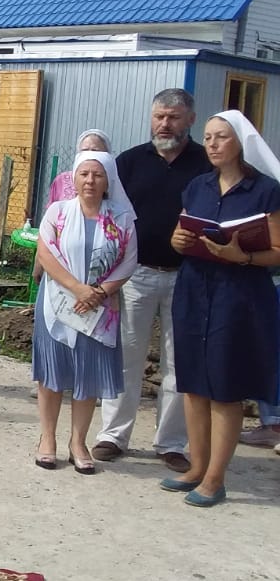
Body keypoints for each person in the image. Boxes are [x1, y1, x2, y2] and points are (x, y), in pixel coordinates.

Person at [165, 110, 280, 506]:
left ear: (241, 143)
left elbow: (278, 250)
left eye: (222, 137)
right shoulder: (197, 186)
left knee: (224, 387)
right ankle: (197, 467)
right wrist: (178, 241)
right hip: (194, 291)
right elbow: (181, 229)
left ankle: (215, 478)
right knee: (194, 384)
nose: (212, 144)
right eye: (209, 137)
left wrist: (242, 256)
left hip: (239, 296)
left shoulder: (265, 190)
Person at [93, 89, 212, 472]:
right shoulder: (129, 162)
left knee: (179, 362)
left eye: (173, 117)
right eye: (159, 116)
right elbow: (109, 218)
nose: (165, 124)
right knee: (126, 356)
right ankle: (113, 435)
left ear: (190, 120)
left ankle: (171, 443)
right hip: (136, 274)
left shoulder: (206, 165)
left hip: (188, 276)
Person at [32, 152, 137, 473]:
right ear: (74, 178)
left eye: (97, 175)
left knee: (87, 375)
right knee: (53, 373)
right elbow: (45, 253)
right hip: (57, 303)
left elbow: (129, 261)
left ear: (108, 181)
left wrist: (99, 293)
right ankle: (47, 438)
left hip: (98, 309)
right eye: (84, 174)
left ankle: (78, 442)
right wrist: (78, 288)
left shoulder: (121, 218)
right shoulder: (58, 211)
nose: (90, 181)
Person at [47, 129, 113, 205]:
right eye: (84, 150)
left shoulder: (112, 180)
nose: (89, 154)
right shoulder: (61, 180)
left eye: (95, 151)